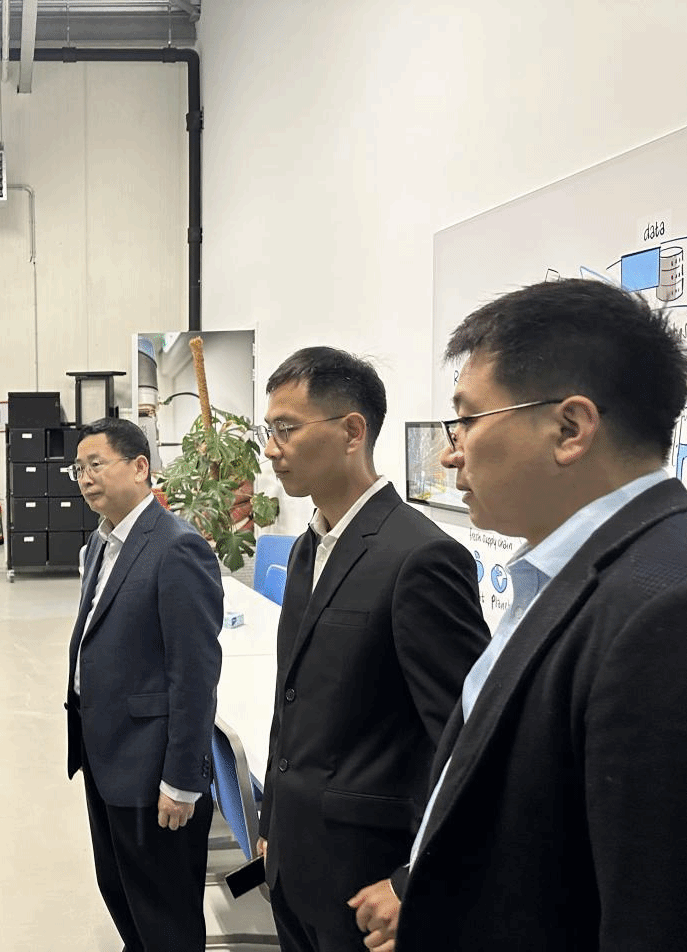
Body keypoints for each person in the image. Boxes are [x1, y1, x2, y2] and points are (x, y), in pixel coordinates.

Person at [391, 279, 687, 952]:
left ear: (568, 429)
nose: (450, 451)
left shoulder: (664, 611)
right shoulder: (575, 572)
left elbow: (654, 915)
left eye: (468, 420)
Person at [253, 347, 489, 952]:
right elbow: (291, 698)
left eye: (286, 429)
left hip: (368, 879)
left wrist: (417, 880)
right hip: (293, 860)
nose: (272, 449)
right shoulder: (308, 548)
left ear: (352, 431)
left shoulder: (421, 557)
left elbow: (467, 738)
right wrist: (273, 817)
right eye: (267, 430)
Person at [65, 417, 223, 952]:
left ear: (139, 467)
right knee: (122, 892)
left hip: (152, 768)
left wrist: (181, 780)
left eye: (96, 464)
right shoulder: (101, 543)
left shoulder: (177, 547)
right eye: (78, 468)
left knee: (165, 917)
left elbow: (195, 674)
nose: (85, 478)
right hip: (106, 755)